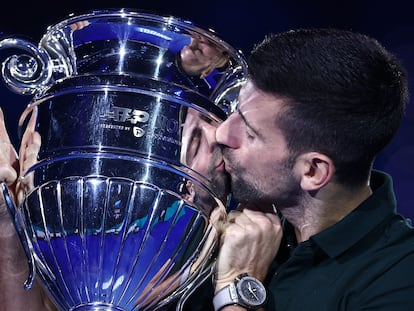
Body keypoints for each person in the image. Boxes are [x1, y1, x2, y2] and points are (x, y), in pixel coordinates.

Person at [2, 27, 414, 311]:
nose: (222, 134)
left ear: (313, 171)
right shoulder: (207, 218)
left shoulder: (398, 277)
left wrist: (237, 288)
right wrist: (5, 221)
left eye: (249, 133)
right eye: (235, 111)